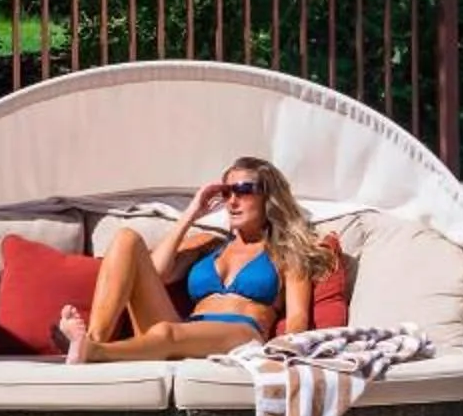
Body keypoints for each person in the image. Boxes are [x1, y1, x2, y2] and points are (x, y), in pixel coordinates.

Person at [58, 155, 329, 364]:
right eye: (227, 193)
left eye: (244, 190)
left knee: (166, 333)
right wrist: (191, 213)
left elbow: (297, 317)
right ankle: (91, 340)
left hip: (242, 333)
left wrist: (283, 355)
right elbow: (155, 273)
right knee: (126, 238)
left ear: (267, 197)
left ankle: (96, 352)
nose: (232, 201)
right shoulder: (209, 245)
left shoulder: (286, 253)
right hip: (187, 330)